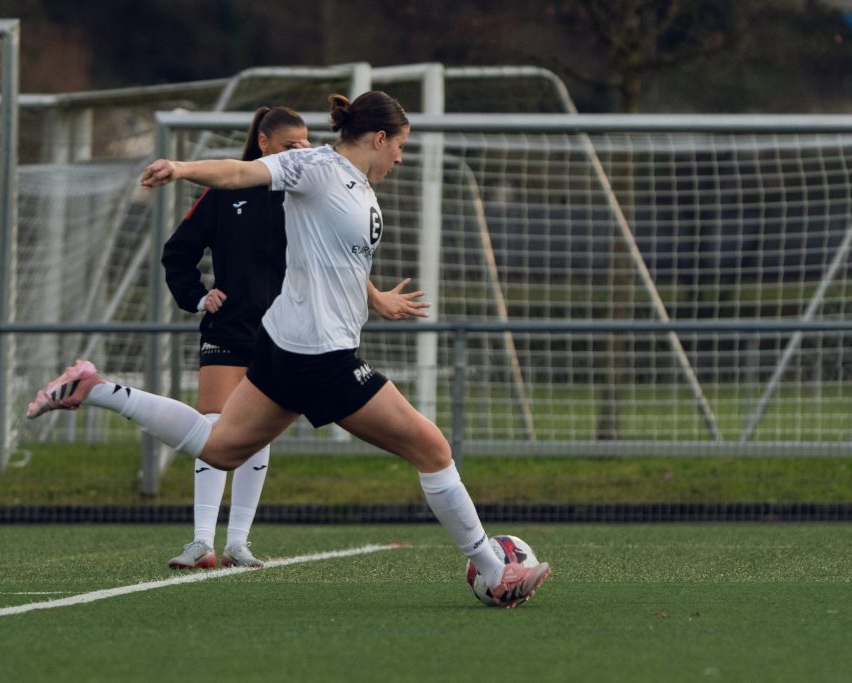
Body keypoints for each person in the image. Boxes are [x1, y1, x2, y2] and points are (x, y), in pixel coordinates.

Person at [27, 91, 550, 607]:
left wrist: (375, 298)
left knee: (219, 448)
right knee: (432, 449)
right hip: (321, 356)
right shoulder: (315, 166)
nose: (400, 158)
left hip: (286, 345)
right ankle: (494, 569)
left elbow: (336, 258)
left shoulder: (360, 186)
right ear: (379, 137)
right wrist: (182, 168)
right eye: (400, 146)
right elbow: (239, 172)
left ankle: (94, 388)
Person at [160, 106, 307, 570]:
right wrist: (198, 297)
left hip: (282, 330)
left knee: (257, 432)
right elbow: (177, 252)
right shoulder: (224, 191)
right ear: (264, 143)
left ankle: (238, 543)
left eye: (306, 145)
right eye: (291, 146)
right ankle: (202, 541)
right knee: (214, 426)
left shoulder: (305, 193)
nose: (300, 153)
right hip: (228, 328)